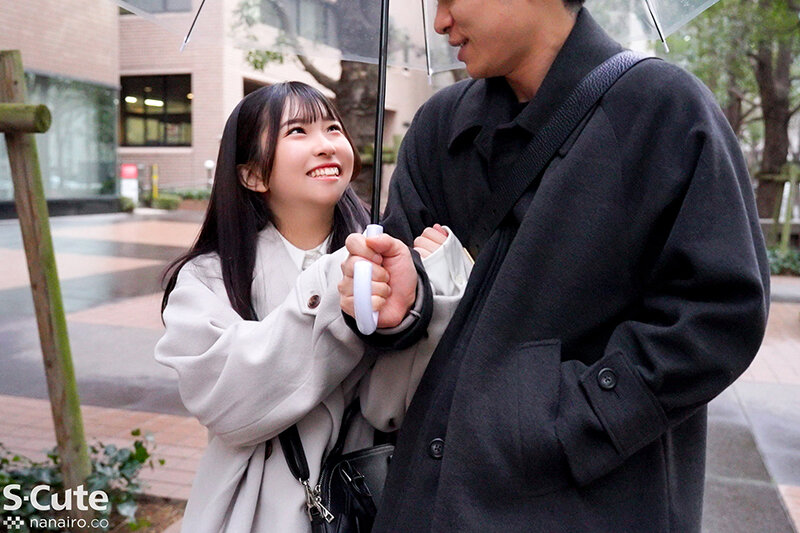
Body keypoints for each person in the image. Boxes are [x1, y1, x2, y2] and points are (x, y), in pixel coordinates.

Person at [338, 1, 770, 531]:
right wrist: (396, 303)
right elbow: (402, 293)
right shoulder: (439, 126)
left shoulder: (663, 111)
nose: (440, 21)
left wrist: (566, 420)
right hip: (424, 501)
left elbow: (719, 313)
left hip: (590, 505)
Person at [155, 82, 471, 532]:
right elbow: (228, 405)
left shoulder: (386, 262)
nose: (326, 145)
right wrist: (331, 287)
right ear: (253, 175)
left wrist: (438, 286)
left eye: (333, 128)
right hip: (254, 513)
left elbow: (388, 407)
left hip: (364, 503)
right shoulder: (209, 278)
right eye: (298, 131)